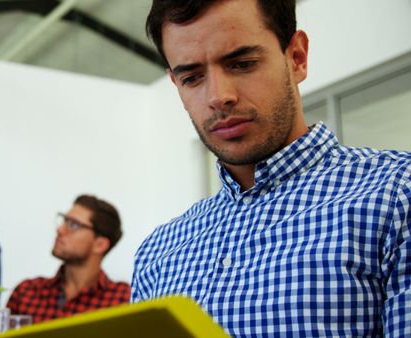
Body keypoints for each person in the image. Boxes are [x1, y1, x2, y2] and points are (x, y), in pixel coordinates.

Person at [132, 0, 411, 336]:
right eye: (192, 77)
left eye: (242, 63)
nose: (219, 96)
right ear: (177, 85)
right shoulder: (157, 254)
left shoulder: (397, 196)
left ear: (296, 58)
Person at [6, 195, 130, 323]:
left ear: (99, 244)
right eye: (64, 220)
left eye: (74, 225)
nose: (60, 229)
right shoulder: (26, 292)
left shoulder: (124, 300)